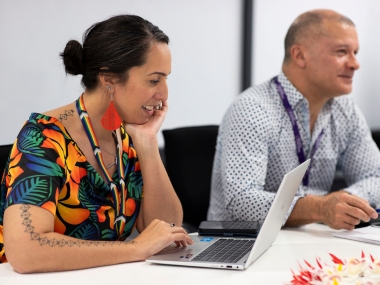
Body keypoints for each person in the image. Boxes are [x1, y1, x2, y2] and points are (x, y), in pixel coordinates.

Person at [0, 14, 193, 273]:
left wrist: (147, 143)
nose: (164, 93)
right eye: (154, 80)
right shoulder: (44, 139)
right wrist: (136, 248)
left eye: (166, 79)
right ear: (109, 79)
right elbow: (25, 252)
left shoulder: (127, 135)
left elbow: (167, 231)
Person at [208, 9, 380, 231]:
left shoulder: (345, 109)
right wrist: (320, 208)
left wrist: (345, 203)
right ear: (299, 55)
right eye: (341, 52)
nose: (355, 63)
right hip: (243, 243)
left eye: (355, 52)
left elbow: (376, 176)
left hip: (309, 238)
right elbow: (241, 202)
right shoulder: (252, 109)